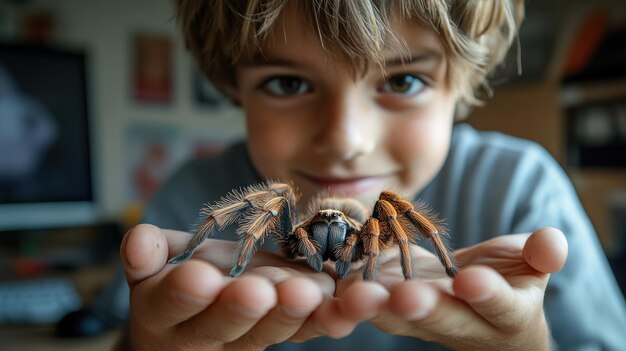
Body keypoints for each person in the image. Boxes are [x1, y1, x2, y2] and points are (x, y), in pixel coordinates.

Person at [108, 0, 626, 350]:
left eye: (402, 80)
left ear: (462, 85)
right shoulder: (194, 192)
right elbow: (119, 328)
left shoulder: (521, 184)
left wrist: (527, 343)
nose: (346, 141)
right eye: (287, 83)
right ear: (234, 86)